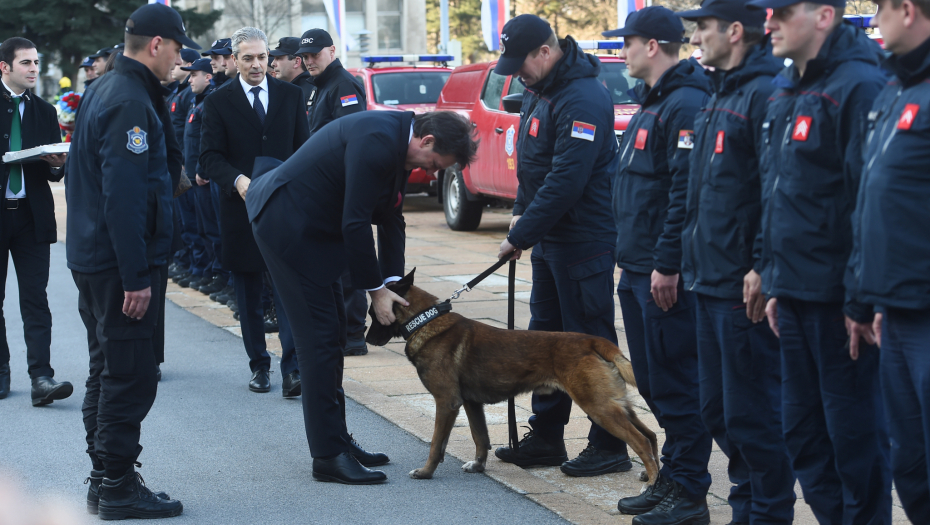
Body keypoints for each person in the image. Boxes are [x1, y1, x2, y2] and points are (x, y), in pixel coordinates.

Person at [246, 109, 477, 484]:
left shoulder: (400, 143)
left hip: (316, 229)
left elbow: (391, 217)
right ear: (427, 141)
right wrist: (376, 291)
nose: (433, 173)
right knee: (319, 340)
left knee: (335, 334)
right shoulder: (378, 140)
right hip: (286, 224)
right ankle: (328, 456)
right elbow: (355, 221)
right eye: (436, 164)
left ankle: (337, 440)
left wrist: (393, 284)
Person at [743, 0, 893, 521]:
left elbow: (867, 203)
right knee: (804, 435)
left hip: (838, 302)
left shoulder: (859, 85)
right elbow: (778, 192)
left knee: (855, 441)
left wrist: (860, 298)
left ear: (824, 16)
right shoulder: (788, 86)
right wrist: (773, 275)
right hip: (793, 293)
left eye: (783, 13)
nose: (769, 24)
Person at [64, 3, 199, 519]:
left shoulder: (111, 88)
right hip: (118, 264)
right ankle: (118, 486)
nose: (180, 61)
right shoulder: (126, 99)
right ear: (157, 44)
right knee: (130, 376)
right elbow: (123, 197)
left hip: (96, 257)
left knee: (108, 370)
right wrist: (136, 276)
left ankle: (105, 478)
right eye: (177, 50)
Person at [486, 15, 633, 479]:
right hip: (552, 237)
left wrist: (519, 235)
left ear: (546, 52)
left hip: (583, 239)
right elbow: (535, 166)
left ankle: (610, 443)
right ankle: (547, 436)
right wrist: (520, 214)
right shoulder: (540, 88)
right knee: (544, 340)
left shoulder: (582, 97)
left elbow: (567, 179)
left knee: (587, 343)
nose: (517, 74)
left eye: (521, 64)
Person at [675, 1, 796, 523]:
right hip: (707, 279)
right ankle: (748, 507)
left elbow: (777, 187)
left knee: (755, 415)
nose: (695, 37)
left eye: (703, 27)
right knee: (718, 410)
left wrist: (763, 263)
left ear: (735, 31)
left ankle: (767, 512)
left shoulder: (765, 93)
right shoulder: (719, 93)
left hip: (740, 285)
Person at [605, 7, 714, 525]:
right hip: (636, 268)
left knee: (677, 383)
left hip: (663, 273)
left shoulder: (685, 103)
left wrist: (667, 262)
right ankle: (673, 476)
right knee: (653, 380)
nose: (622, 51)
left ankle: (689, 493)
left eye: (627, 42)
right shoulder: (655, 101)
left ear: (652, 46)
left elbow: (684, 194)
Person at [200, 27, 309, 397]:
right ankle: (259, 366)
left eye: (262, 57)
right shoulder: (218, 102)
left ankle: (293, 369)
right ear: (235, 60)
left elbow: (304, 149)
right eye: (248, 58)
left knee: (288, 291)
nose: (257, 64)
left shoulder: (291, 96)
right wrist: (238, 180)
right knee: (248, 293)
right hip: (239, 210)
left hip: (283, 210)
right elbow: (209, 157)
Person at [853, 1, 930, 520]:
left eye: (880, 8)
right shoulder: (896, 87)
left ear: (906, 9)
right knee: (912, 464)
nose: (875, 20)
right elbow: (873, 204)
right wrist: (874, 298)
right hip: (897, 308)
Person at [0, 37, 71, 405]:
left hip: (32, 216)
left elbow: (52, 169)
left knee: (35, 300)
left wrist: (58, 166)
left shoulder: (45, 110)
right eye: (26, 63)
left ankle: (41, 377)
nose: (33, 69)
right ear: (5, 67)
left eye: (36, 62)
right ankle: (1, 370)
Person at [297, 28, 371, 356]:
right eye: (305, 56)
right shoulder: (322, 85)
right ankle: (344, 329)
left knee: (347, 263)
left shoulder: (342, 85)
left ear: (332, 50)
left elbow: (352, 139)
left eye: (314, 54)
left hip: (342, 185)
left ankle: (353, 333)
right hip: (326, 186)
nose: (309, 61)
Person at [182, 58, 224, 312]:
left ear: (208, 77)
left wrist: (201, 168)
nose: (189, 80)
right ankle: (209, 271)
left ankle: (219, 275)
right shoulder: (196, 101)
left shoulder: (209, 101)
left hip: (204, 177)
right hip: (193, 175)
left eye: (194, 75)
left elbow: (207, 139)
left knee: (214, 230)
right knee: (202, 228)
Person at [270, 36, 315, 118]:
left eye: (279, 58)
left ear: (297, 62)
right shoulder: (289, 90)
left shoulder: (307, 93)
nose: (273, 64)